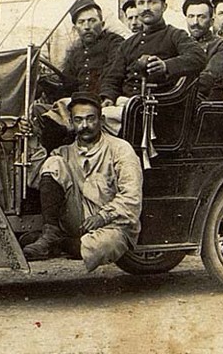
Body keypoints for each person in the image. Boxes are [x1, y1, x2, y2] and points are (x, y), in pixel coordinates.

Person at [21, 92, 143, 271]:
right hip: (76, 221)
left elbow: (132, 197)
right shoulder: (64, 152)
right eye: (78, 120)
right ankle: (51, 233)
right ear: (71, 122)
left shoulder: (120, 149)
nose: (85, 125)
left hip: (112, 224)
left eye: (90, 119)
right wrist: (31, 137)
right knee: (53, 163)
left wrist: (102, 217)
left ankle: (59, 244)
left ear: (101, 119)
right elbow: (37, 178)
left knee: (105, 245)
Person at [99, 0, 206, 132]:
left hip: (158, 110)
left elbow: (198, 57)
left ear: (164, 7)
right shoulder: (128, 44)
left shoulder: (174, 35)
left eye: (152, 3)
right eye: (141, 3)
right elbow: (113, 77)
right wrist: (108, 97)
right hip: (125, 106)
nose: (146, 8)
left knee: (93, 120)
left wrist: (165, 66)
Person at [182, 0, 223, 100]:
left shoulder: (222, 45)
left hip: (198, 99)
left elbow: (209, 78)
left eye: (201, 17)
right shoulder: (181, 43)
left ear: (211, 21)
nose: (195, 22)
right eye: (191, 16)